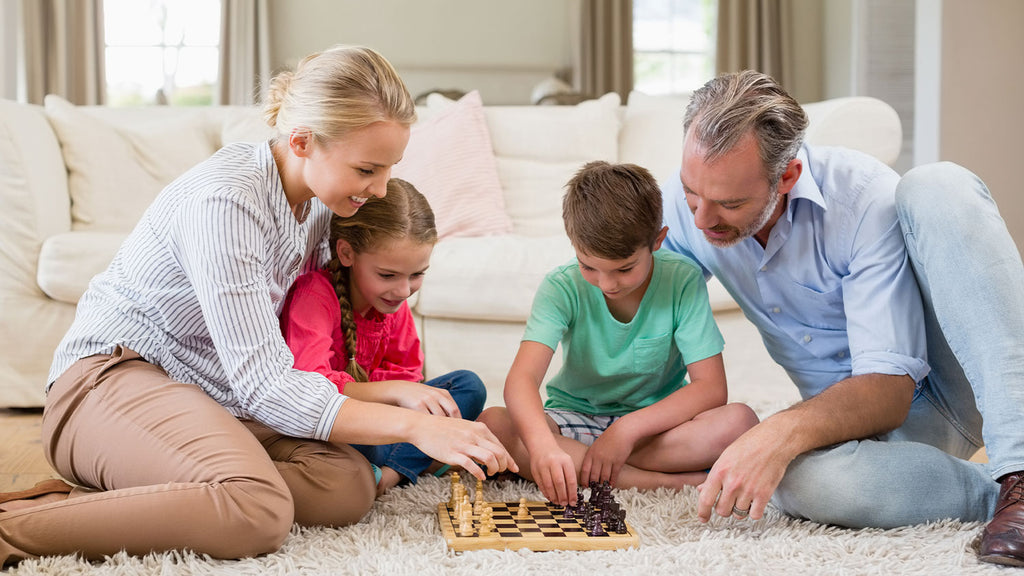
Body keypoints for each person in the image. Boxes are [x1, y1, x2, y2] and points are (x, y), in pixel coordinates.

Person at [0, 45, 514, 567]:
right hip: (108, 382)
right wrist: (414, 426)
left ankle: (121, 505)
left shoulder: (318, 205)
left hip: (212, 396)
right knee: (258, 511)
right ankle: (12, 532)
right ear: (301, 141)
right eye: (366, 168)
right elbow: (265, 384)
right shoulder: (227, 201)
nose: (380, 189)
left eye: (389, 169)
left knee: (347, 486)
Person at [661, 70, 1024, 566]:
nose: (701, 220)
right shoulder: (696, 205)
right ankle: (990, 495)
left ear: (786, 176)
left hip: (936, 386)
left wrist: (776, 430)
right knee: (791, 480)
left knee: (939, 183)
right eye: (690, 193)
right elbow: (641, 316)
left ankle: (1020, 473)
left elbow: (887, 393)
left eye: (730, 204)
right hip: (851, 424)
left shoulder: (861, 199)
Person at [479, 161, 759, 506]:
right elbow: (521, 380)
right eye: (588, 267)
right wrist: (543, 449)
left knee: (740, 422)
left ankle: (601, 467)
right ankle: (659, 483)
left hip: (653, 428)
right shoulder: (560, 287)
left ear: (658, 240)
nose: (607, 283)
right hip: (575, 419)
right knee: (493, 424)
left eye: (624, 269)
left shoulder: (682, 280)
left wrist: (625, 431)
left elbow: (711, 388)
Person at [280, 177, 486, 496]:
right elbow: (310, 386)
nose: (404, 291)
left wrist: (407, 397)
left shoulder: (392, 303)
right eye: (387, 275)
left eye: (417, 275)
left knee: (468, 386)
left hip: (389, 427)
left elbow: (409, 376)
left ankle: (389, 474)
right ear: (346, 253)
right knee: (356, 447)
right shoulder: (315, 296)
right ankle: (416, 461)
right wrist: (395, 393)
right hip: (338, 425)